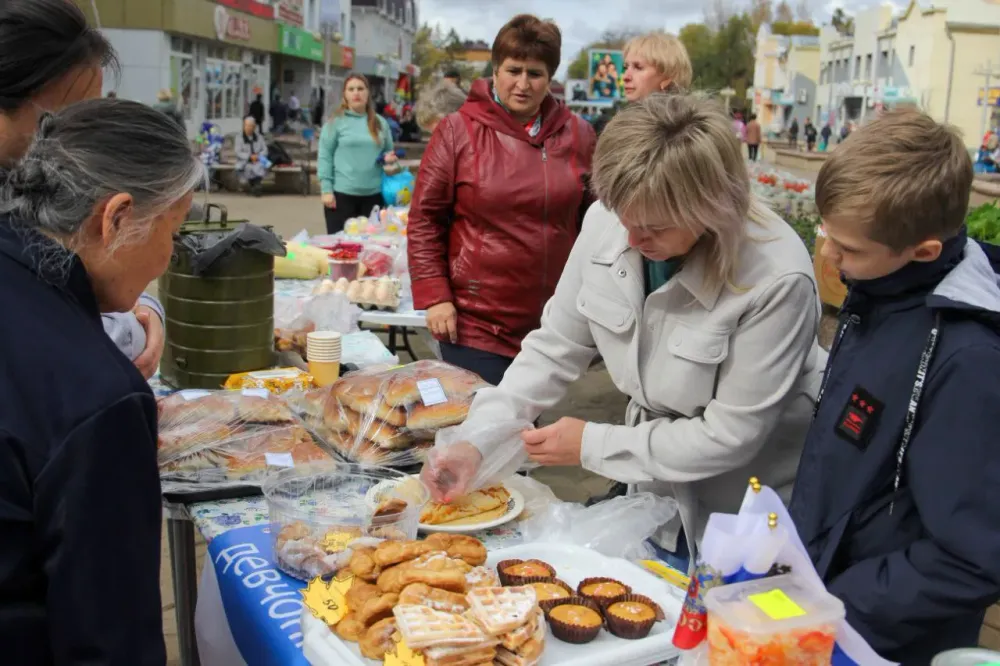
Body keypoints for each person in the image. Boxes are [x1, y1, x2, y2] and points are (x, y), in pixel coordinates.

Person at [421, 93, 824, 570]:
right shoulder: (608, 222)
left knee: (725, 625)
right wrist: (477, 440)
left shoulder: (776, 277)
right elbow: (555, 347)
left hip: (744, 503)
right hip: (652, 486)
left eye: (653, 227)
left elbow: (730, 436)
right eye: (623, 217)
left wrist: (592, 444)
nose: (631, 239)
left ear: (713, 208)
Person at [789, 109, 1000, 663]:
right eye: (826, 235)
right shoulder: (883, 295)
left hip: (885, 637)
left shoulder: (971, 360)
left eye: (849, 250)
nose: (830, 256)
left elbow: (971, 555)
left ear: (924, 251)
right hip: (824, 602)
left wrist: (836, 602)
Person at [0, 97, 203, 663]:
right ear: (116, 217)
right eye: (175, 228)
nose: (169, 256)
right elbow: (111, 639)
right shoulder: (98, 397)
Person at [407, 14, 597, 385]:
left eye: (535, 73)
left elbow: (596, 221)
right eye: (513, 70)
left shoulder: (579, 135)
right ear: (495, 70)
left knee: (524, 429)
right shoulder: (457, 130)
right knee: (480, 429)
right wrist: (435, 296)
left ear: (550, 78)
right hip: (475, 322)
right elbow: (424, 220)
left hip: (550, 321)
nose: (522, 84)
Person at [0, 0, 166, 380]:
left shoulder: (36, 176)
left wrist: (141, 307)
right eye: (64, 117)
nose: (80, 138)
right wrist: (126, 331)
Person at [317, 73, 396, 234]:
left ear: (368, 93)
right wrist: (326, 189)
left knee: (372, 251)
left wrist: (390, 161)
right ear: (345, 95)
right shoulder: (335, 123)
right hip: (341, 196)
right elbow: (325, 156)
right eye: (351, 89)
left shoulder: (380, 123)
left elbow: (390, 153)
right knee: (342, 249)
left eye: (360, 88)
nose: (356, 93)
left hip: (374, 197)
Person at [593, 30, 692, 136]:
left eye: (638, 67)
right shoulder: (619, 128)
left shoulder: (689, 134)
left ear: (669, 75)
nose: (625, 76)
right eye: (625, 67)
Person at [235, 115, 268, 197]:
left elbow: (265, 150)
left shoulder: (259, 137)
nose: (248, 128)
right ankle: (255, 185)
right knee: (248, 167)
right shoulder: (239, 137)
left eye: (250, 126)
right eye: (246, 125)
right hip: (245, 160)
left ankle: (256, 185)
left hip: (258, 158)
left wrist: (258, 156)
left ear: (254, 127)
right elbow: (238, 152)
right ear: (244, 126)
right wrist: (249, 156)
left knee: (265, 164)